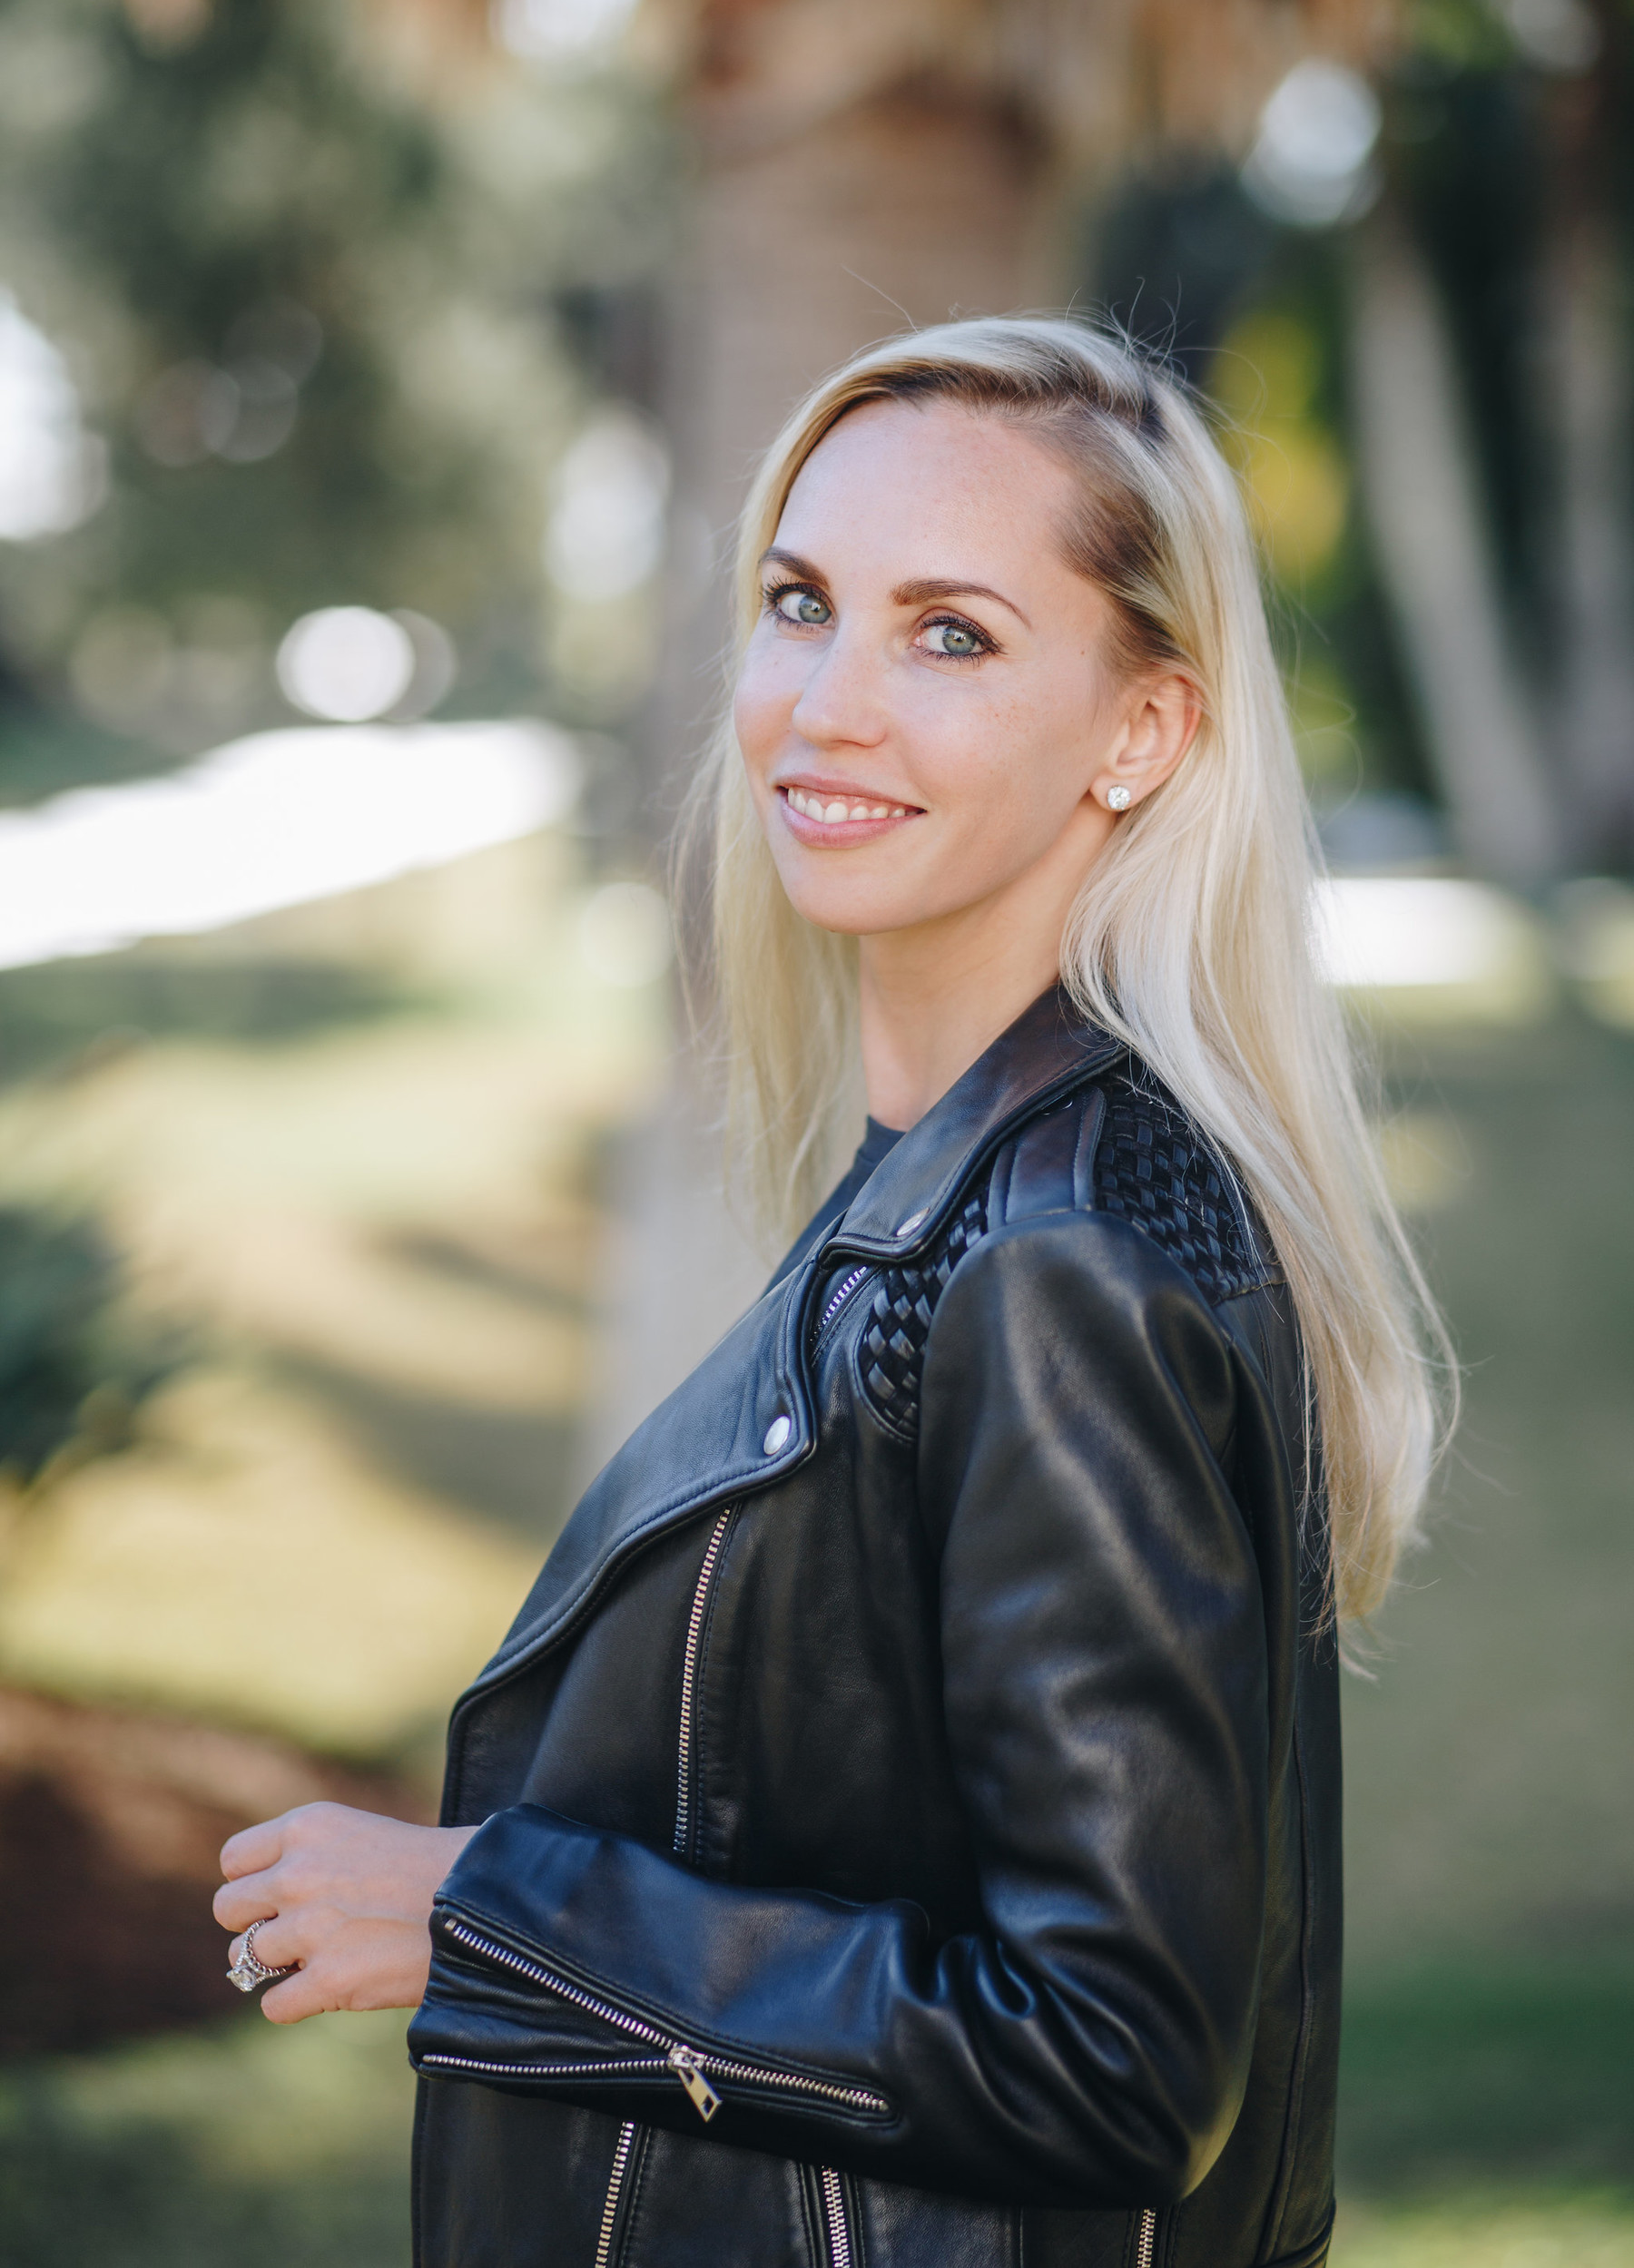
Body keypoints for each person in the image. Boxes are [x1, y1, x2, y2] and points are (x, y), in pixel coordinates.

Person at [214, 318, 1447, 2268]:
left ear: (1144, 732)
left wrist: (490, 1913)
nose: (828, 704)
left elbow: (1117, 2056)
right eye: (802, 605)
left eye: (950, 634)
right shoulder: (963, 1179)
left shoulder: (1058, 1261)